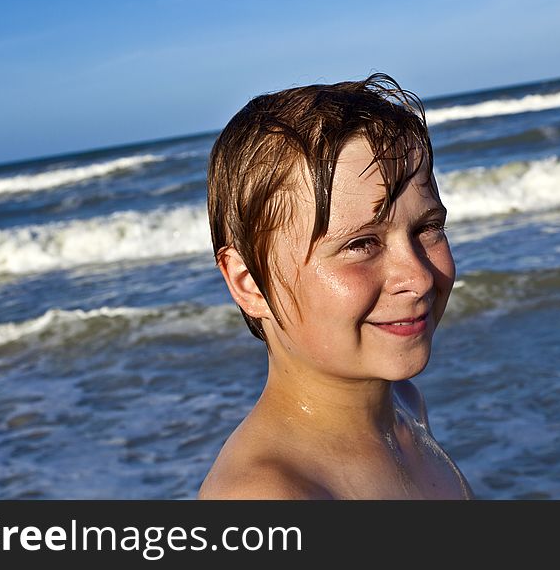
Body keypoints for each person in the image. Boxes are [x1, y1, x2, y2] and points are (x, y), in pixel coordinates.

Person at [198, 73, 473, 499]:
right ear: (248, 281)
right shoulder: (269, 495)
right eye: (361, 244)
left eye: (427, 228)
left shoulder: (404, 406)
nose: (418, 278)